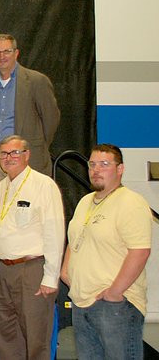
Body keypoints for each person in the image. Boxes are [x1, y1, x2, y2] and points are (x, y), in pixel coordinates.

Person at [61, 144, 152, 359]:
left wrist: (114, 292)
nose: (96, 170)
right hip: (82, 302)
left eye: (104, 164)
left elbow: (140, 252)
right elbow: (75, 240)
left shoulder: (131, 202)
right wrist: (66, 273)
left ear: (120, 169)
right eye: (92, 164)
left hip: (115, 306)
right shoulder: (85, 202)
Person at [0, 135, 64, 360]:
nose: (9, 158)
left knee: (36, 338)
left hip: (32, 269)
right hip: (4, 270)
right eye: (4, 153)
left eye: (15, 153)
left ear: (27, 155)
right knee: (7, 336)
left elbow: (54, 230)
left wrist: (50, 277)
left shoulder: (43, 185)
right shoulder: (1, 186)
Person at [0, 34, 60, 180]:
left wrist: (36, 146)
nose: (2, 56)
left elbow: (51, 120)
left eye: (7, 51)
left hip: (25, 157)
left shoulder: (36, 81)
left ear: (16, 53)